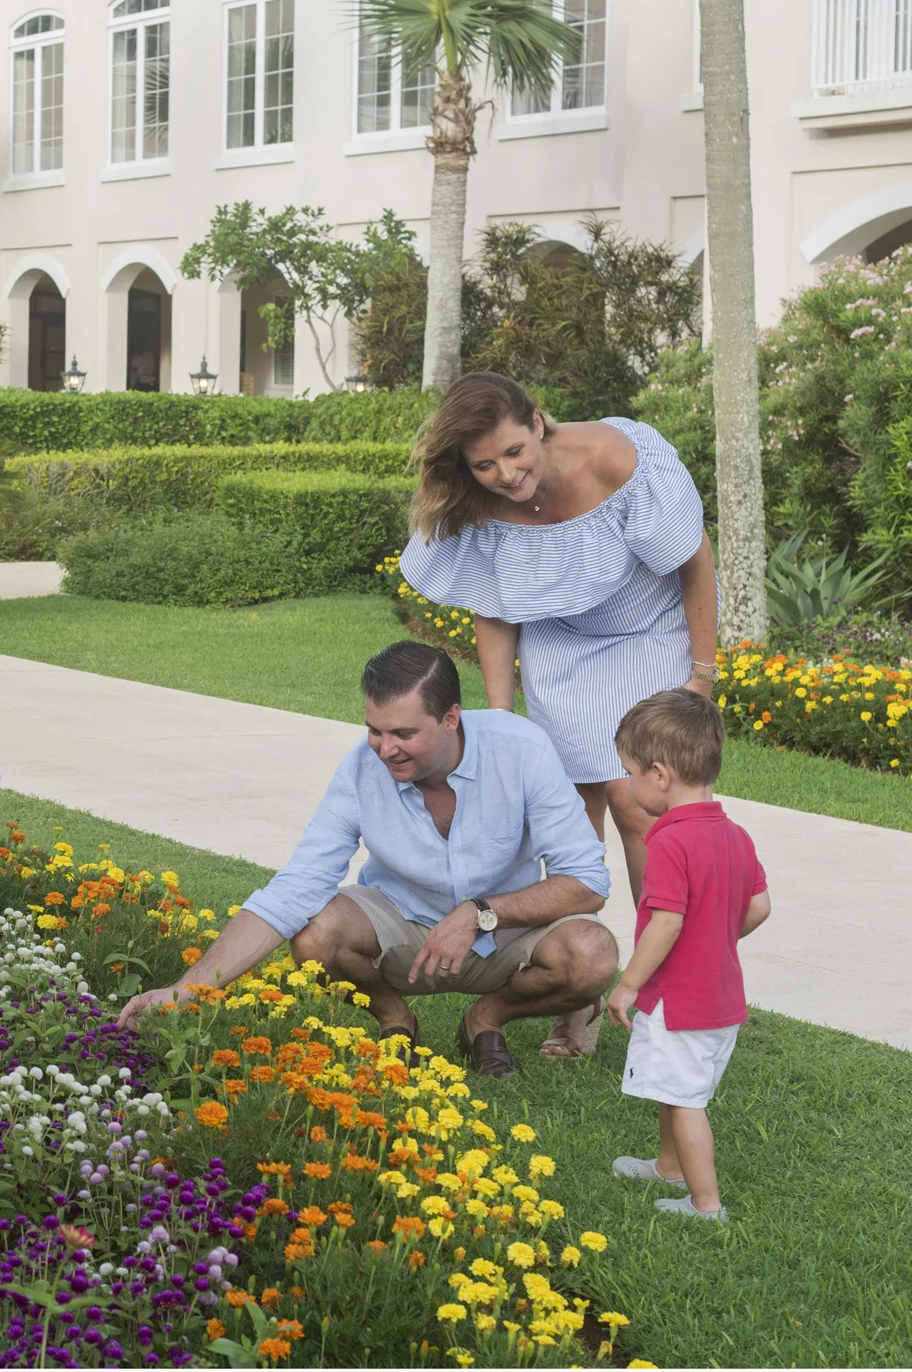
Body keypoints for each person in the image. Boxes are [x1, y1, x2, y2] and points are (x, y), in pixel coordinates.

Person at [113, 640, 618, 1079]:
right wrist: (186, 990)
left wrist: (480, 911)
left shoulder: (522, 748)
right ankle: (396, 1021)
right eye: (375, 730)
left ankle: (484, 1021)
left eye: (403, 734)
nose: (384, 749)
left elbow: (588, 882)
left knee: (593, 954)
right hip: (404, 923)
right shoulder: (360, 767)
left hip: (502, 930)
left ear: (450, 718)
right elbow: (295, 888)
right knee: (315, 932)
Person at [399, 372, 720, 1060]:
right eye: (484, 465)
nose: (505, 475)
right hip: (558, 645)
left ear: (538, 422)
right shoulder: (484, 503)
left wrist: (703, 673)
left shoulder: (615, 459)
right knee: (568, 817)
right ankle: (577, 1005)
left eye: (514, 452)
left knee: (638, 807)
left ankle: (664, 989)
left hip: (647, 635)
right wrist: (499, 718)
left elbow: (695, 561)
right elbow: (495, 606)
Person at [603, 688, 770, 1222]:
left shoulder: (668, 842)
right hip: (719, 998)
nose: (627, 785)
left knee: (685, 1100)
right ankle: (667, 1166)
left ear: (659, 774)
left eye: (628, 773)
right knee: (671, 1087)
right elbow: (760, 906)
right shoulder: (734, 834)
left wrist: (628, 983)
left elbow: (667, 922)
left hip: (681, 1001)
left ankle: (705, 1203)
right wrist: (715, 938)